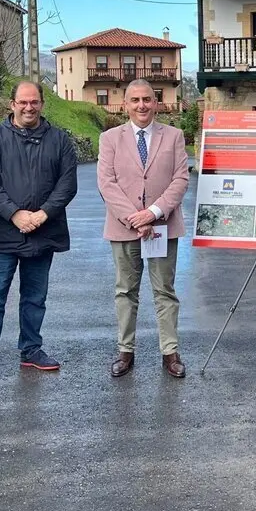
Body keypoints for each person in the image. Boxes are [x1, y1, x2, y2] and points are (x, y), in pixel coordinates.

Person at [0, 82, 78, 390]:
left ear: (42, 103)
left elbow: (67, 183)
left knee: (35, 297)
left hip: (44, 232)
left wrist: (43, 214)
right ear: (12, 104)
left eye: (34, 102)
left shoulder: (59, 140)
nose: (29, 107)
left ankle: (31, 349)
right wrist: (14, 214)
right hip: (2, 234)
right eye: (23, 102)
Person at [97, 79, 190, 379]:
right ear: (125, 104)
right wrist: (134, 218)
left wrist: (153, 213)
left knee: (165, 291)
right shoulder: (110, 138)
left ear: (156, 103)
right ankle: (125, 351)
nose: (142, 105)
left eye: (147, 99)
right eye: (135, 100)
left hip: (163, 226)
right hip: (124, 228)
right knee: (125, 291)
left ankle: (170, 352)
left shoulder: (174, 136)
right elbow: (106, 183)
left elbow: (180, 180)